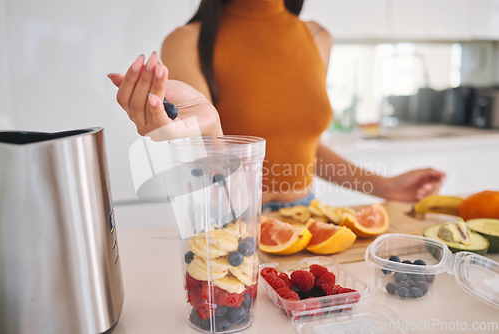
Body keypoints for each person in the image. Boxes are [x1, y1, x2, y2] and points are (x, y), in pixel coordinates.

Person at [108, 0, 445, 210]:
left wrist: (384, 185)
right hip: (234, 215)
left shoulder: (316, 37)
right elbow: (206, 163)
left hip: (307, 213)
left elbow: (303, 147)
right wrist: (198, 131)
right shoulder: (187, 40)